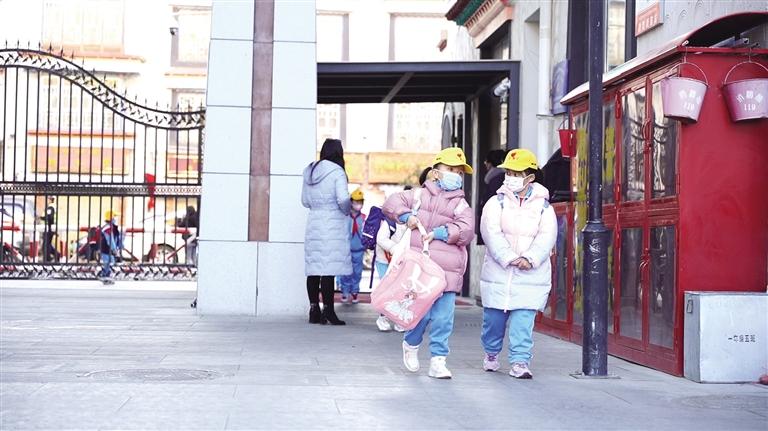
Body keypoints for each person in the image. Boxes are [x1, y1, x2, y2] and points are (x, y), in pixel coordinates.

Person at [382, 147, 475, 379]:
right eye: (450, 169)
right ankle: (411, 344)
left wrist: (442, 232)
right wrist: (406, 216)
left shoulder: (461, 205)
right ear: (435, 172)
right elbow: (391, 202)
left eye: (459, 172)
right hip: (418, 270)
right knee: (420, 314)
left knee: (443, 318)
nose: (456, 175)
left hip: (447, 271)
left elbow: (466, 230)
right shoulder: (417, 196)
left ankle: (438, 361)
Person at [478, 148, 557, 379]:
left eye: (516, 173)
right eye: (508, 172)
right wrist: (508, 257)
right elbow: (490, 232)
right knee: (493, 322)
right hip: (498, 274)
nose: (510, 177)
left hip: (530, 276)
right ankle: (491, 353)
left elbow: (547, 237)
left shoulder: (544, 208)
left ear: (529, 177)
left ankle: (520, 362)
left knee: (523, 322)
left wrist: (530, 258)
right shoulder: (496, 203)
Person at [302, 138, 350, 325]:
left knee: (314, 269)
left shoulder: (310, 171)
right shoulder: (337, 172)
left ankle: (314, 310)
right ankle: (328, 311)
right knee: (328, 270)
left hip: (314, 223)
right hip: (332, 224)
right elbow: (343, 199)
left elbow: (304, 201)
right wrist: (346, 211)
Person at [373, 199, 408, 332]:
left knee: (402, 291)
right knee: (387, 290)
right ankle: (383, 318)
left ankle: (398, 319)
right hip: (384, 261)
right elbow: (381, 239)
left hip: (402, 261)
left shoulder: (412, 223)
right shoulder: (389, 222)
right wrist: (395, 249)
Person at [337, 188, 366, 304]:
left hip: (359, 249)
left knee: (357, 272)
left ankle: (354, 292)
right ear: (351, 202)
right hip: (346, 249)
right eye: (356, 202)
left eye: (360, 202)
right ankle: (345, 292)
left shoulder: (363, 218)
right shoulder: (344, 217)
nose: (358, 204)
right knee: (345, 272)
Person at [99, 210, 123, 284]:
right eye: (114, 217)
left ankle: (106, 277)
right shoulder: (108, 228)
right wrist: (114, 249)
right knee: (108, 262)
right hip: (107, 249)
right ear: (111, 218)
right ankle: (105, 276)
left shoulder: (109, 227)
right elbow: (110, 240)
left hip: (106, 249)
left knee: (109, 262)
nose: (115, 219)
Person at [41, 197, 58, 263]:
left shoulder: (50, 207)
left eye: (48, 199)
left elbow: (49, 217)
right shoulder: (52, 206)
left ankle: (48, 259)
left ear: (51, 199)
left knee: (46, 245)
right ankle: (56, 256)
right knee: (48, 244)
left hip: (48, 228)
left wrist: (41, 218)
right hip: (49, 228)